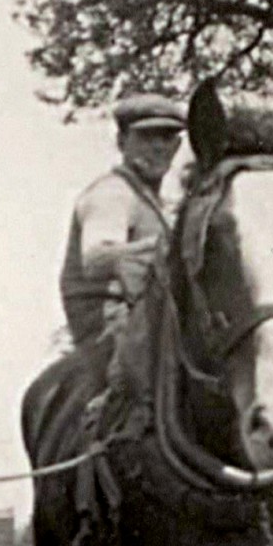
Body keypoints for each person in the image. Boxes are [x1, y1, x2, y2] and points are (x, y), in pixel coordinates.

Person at [60, 93, 185, 412]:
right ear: (121, 141)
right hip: (109, 323)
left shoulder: (156, 203)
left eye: (167, 137)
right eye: (145, 136)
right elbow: (96, 258)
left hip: (150, 317)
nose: (158, 146)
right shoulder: (112, 193)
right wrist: (170, 254)